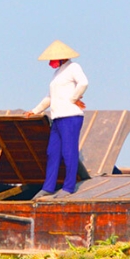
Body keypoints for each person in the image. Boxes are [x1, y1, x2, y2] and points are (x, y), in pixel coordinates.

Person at [25, 40, 89, 199]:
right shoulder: (57, 74)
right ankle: (48, 187)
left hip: (70, 117)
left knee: (69, 152)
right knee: (52, 152)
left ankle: (69, 187)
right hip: (57, 118)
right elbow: (49, 97)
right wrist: (35, 110)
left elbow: (84, 83)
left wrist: (73, 99)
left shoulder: (74, 67)